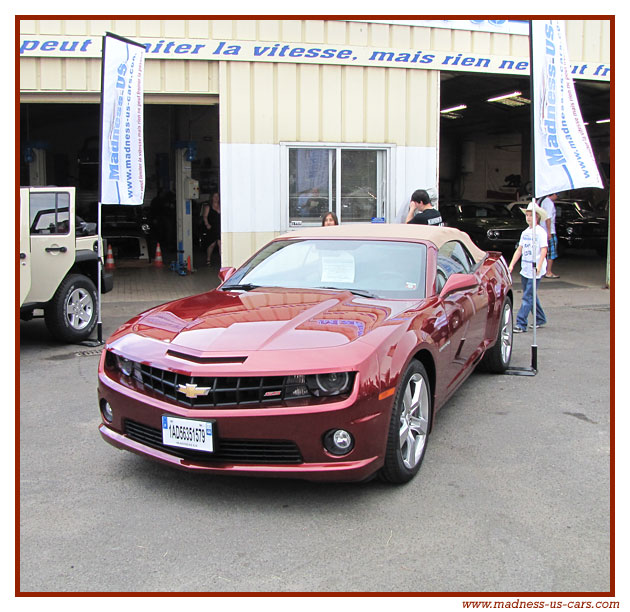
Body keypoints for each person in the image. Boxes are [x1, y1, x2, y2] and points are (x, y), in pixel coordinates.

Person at [508, 202, 549, 333]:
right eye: (527, 215)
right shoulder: (525, 232)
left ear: (537, 217)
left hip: (535, 269)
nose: (528, 218)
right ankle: (540, 318)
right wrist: (512, 264)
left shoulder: (541, 232)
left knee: (527, 297)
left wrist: (540, 265)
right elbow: (519, 249)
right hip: (525, 268)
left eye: (531, 215)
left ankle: (521, 323)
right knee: (531, 295)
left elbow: (544, 250)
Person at [539, 192, 559, 278]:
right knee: (551, 252)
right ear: (553, 194)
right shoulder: (549, 203)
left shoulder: (541, 200)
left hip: (541, 229)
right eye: (557, 195)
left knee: (541, 251)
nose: (557, 197)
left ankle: (540, 270)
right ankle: (548, 271)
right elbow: (548, 218)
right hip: (549, 230)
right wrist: (549, 232)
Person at [201, 191, 221, 265]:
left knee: (220, 244)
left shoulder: (221, 206)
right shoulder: (208, 207)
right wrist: (207, 224)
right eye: (215, 196)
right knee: (212, 244)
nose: (216, 198)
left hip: (219, 227)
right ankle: (208, 259)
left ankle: (222, 260)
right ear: (212, 197)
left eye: (217, 196)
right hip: (211, 227)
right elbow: (205, 217)